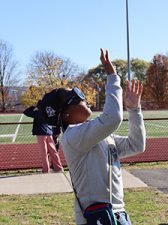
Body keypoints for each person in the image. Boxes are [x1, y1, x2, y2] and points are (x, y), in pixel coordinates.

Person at [38, 49, 146, 225]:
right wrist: (112, 76)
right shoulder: (73, 136)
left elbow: (136, 145)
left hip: (117, 216)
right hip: (97, 219)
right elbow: (113, 118)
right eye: (78, 97)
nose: (84, 99)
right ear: (65, 114)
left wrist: (134, 110)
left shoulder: (92, 134)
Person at [23, 103, 63, 173]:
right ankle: (58, 168)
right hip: (49, 132)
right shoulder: (48, 111)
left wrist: (34, 106)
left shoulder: (37, 112)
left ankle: (46, 169)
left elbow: (26, 112)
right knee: (53, 151)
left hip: (41, 133)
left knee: (44, 153)